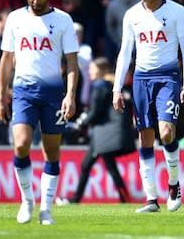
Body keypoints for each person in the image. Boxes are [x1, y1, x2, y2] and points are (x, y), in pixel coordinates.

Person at [0, 0, 79, 225]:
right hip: (23, 91)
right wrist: (0, 96)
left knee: (51, 152)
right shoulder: (15, 18)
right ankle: (27, 200)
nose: (35, 1)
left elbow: (72, 62)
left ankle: (46, 208)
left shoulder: (63, 20)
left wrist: (71, 96)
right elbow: (7, 59)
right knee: (20, 144)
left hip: (53, 94)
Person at [112, 0, 184, 213]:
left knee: (167, 132)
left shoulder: (177, 12)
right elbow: (125, 53)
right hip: (140, 79)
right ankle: (150, 199)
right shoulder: (132, 15)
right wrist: (116, 88)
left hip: (168, 77)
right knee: (144, 137)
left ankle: (173, 184)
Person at [57, 57, 135, 205]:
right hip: (110, 132)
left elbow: (94, 112)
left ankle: (75, 200)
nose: (90, 71)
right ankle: (124, 198)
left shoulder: (99, 86)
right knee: (93, 165)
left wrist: (79, 125)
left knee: (90, 165)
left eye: (92, 68)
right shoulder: (113, 86)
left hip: (106, 134)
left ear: (101, 70)